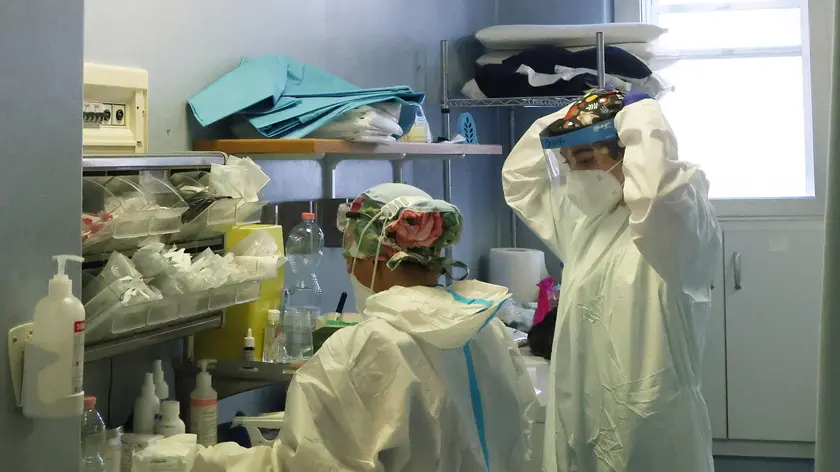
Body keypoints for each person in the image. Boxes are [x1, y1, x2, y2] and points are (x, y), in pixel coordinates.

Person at [192, 183, 539, 472]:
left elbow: (307, 464)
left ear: (370, 259)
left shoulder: (364, 347)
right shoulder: (487, 328)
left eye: (348, 260)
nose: (349, 271)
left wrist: (193, 461)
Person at [502, 89, 722, 472]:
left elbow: (656, 194)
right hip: (582, 413)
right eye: (569, 163)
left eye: (586, 158)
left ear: (630, 152)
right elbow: (519, 178)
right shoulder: (587, 221)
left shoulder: (680, 218)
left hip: (650, 419)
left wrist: (639, 113)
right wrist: (575, 115)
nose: (577, 174)